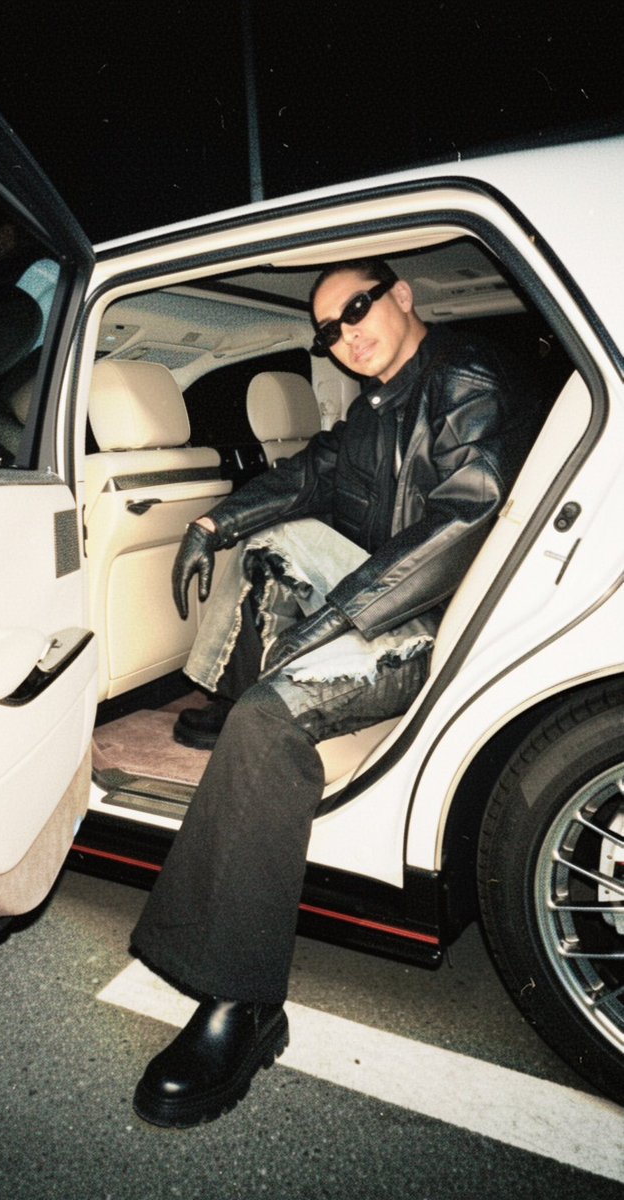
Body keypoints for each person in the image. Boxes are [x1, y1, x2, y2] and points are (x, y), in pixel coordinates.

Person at [128, 256, 536, 1128]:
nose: (344, 335)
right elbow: (310, 475)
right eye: (327, 330)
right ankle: (239, 698)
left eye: (356, 309)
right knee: (269, 546)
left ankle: (240, 1003)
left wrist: (345, 615)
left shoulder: (461, 377)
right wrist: (212, 521)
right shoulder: (376, 404)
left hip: (434, 621)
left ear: (401, 296)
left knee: (268, 723)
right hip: (387, 591)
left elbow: (463, 513)